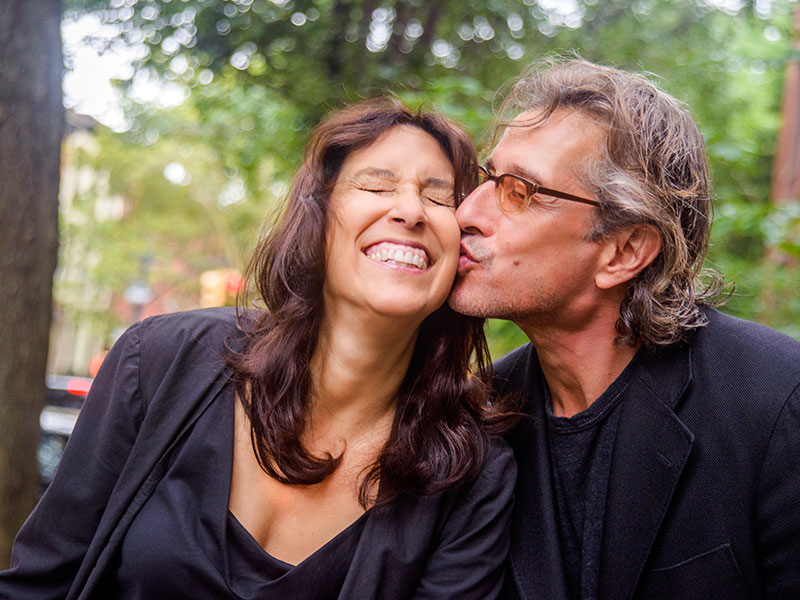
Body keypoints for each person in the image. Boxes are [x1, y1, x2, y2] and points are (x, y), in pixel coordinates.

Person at [0, 98, 517, 599]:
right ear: (317, 220)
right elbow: (39, 583)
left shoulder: (473, 473)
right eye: (377, 184)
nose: (410, 210)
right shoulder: (158, 360)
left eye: (439, 196)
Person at [449, 56, 800, 600]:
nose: (466, 212)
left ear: (624, 251)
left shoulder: (776, 400)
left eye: (518, 191)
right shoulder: (477, 417)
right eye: (486, 178)